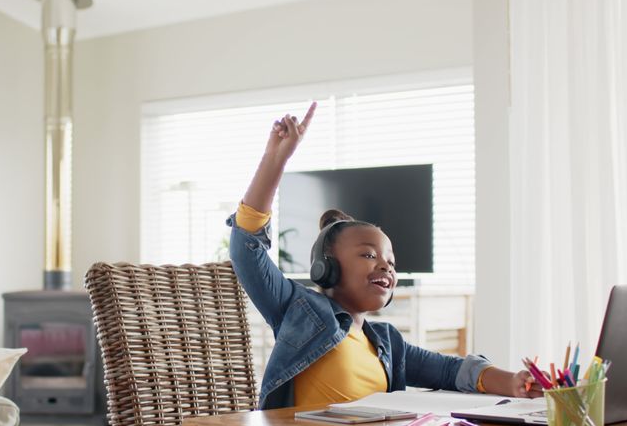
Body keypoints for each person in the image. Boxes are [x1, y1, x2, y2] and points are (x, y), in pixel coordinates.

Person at [229, 101, 541, 409]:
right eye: (368, 255)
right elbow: (247, 250)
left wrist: (513, 381)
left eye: (391, 261)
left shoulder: (387, 342)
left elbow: (449, 370)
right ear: (326, 268)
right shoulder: (300, 311)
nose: (386, 267)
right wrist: (275, 159)